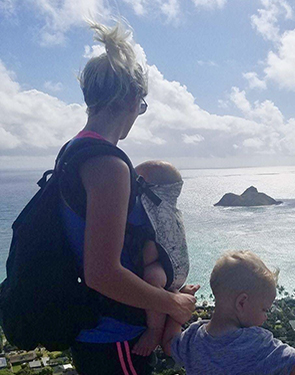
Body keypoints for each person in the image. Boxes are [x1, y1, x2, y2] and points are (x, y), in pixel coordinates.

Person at [62, 21, 196, 375]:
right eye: (143, 105)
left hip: (97, 332)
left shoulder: (74, 151)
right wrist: (173, 303)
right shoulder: (109, 165)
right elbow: (102, 273)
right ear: (133, 101)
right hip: (114, 337)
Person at [170, 251, 295, 375]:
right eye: (264, 309)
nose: (266, 316)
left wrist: (177, 305)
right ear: (242, 302)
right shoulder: (254, 342)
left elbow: (169, 342)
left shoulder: (194, 337)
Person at [132, 160, 199, 356]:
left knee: (151, 277)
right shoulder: (166, 209)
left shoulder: (152, 208)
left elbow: (152, 251)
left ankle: (155, 329)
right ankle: (179, 293)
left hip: (165, 271)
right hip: (177, 269)